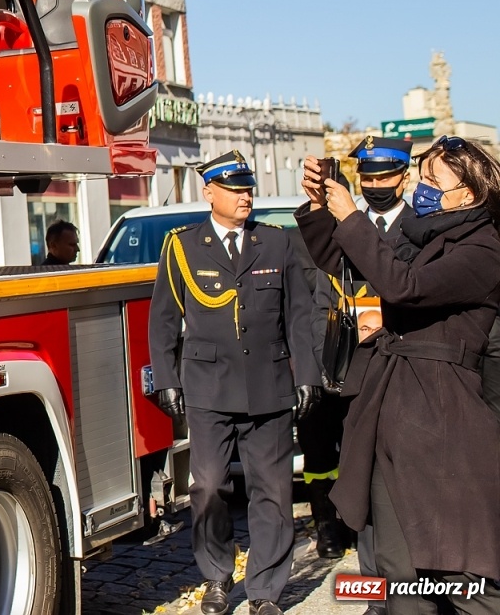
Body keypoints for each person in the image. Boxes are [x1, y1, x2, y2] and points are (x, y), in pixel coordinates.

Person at [299, 139, 500, 615]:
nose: (420, 188)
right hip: (394, 409)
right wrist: (322, 204)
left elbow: (402, 287)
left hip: (442, 415)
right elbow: (352, 261)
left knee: (458, 566)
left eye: (433, 181)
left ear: (468, 194)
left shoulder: (484, 248)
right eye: (422, 177)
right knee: (399, 569)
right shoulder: (429, 232)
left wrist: (351, 216)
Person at [148, 150, 321, 615]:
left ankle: (265, 589)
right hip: (207, 386)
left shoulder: (276, 243)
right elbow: (163, 319)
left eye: (248, 188)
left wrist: (306, 375)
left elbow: (299, 316)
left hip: (268, 384)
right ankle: (217, 576)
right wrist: (166, 377)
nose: (247, 196)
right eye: (235, 188)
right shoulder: (183, 246)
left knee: (275, 490)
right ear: (209, 192)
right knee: (207, 488)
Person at [295, 135, 409, 575]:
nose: (376, 183)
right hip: (346, 368)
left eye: (384, 175)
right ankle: (372, 580)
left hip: (401, 369)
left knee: (394, 478)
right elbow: (320, 276)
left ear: (404, 175)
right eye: (367, 176)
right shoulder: (342, 227)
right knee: (346, 469)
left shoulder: (421, 227)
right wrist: (322, 208)